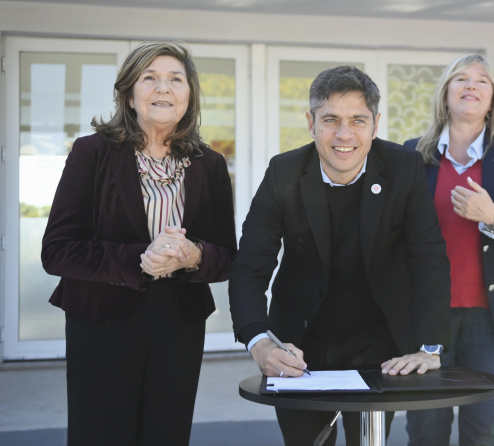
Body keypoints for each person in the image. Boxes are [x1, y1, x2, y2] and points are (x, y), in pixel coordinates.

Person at [228, 65, 451, 446]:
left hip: (379, 342)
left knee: (369, 441)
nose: (344, 134)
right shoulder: (283, 173)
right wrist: (258, 341)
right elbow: (251, 264)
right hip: (298, 342)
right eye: (330, 119)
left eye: (357, 120)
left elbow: (427, 258)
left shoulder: (404, 168)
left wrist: (430, 346)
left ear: (375, 124)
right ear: (311, 122)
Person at [41, 41, 237, 446]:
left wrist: (195, 254)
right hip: (102, 320)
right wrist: (139, 259)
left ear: (189, 95)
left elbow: (227, 256)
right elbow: (57, 249)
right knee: (101, 433)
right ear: (130, 94)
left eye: (175, 79)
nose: (163, 88)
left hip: (179, 322)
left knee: (167, 433)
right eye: (150, 78)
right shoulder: (92, 153)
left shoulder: (210, 164)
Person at [403, 54, 494, 446]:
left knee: (484, 428)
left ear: (492, 98)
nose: (471, 86)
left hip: (493, 319)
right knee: (425, 426)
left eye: (482, 80)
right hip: (428, 316)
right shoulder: (414, 155)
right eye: (460, 79)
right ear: (446, 94)